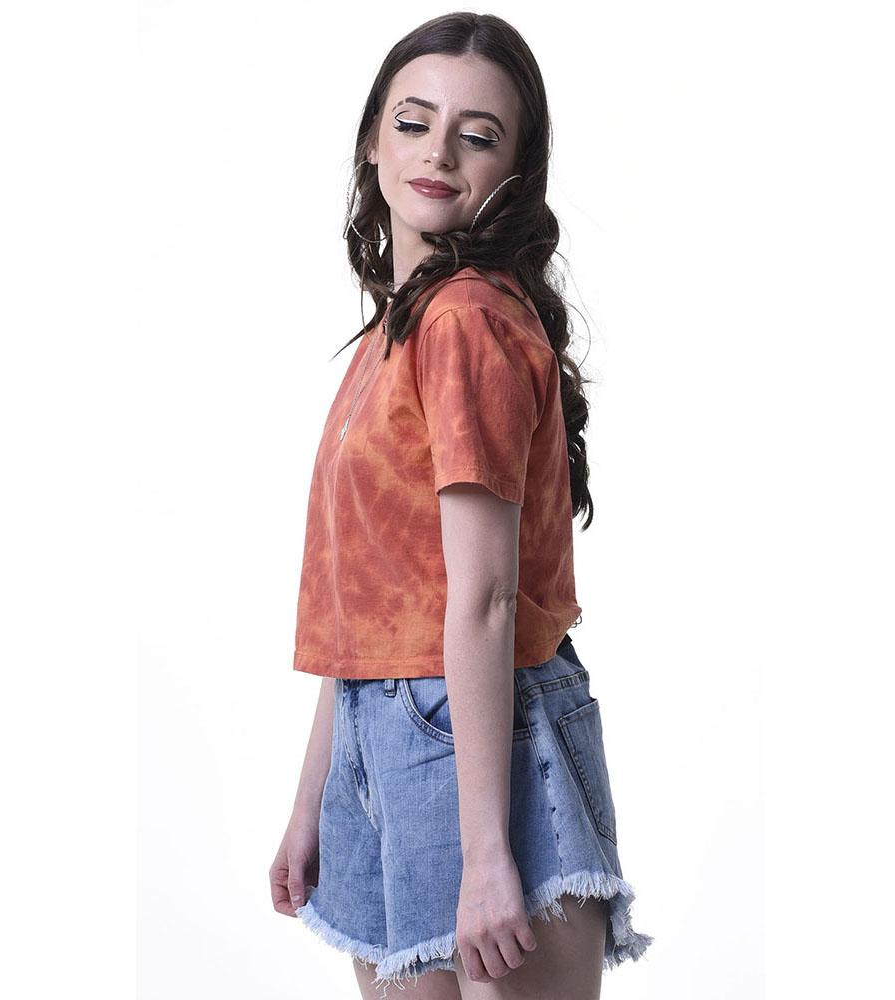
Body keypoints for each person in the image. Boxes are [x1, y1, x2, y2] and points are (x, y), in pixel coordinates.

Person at [269, 12, 653, 998]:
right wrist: (314, 797)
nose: (438, 152)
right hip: (382, 738)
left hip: (475, 735)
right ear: (372, 139)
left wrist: (488, 851)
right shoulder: (387, 339)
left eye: (477, 135)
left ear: (515, 172)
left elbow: (482, 598)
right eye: (413, 122)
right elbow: (365, 602)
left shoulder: (465, 321)